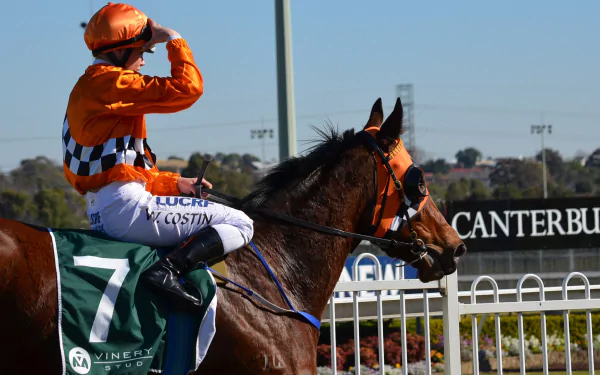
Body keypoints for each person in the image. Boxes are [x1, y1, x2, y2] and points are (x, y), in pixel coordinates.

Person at [63, 2, 254, 310]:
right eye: (142, 50)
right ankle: (168, 271)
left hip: (109, 207)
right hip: (125, 208)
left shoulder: (93, 88)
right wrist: (173, 39)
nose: (142, 60)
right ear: (120, 51)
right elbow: (187, 88)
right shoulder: (110, 83)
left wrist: (178, 184)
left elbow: (128, 171)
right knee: (241, 224)